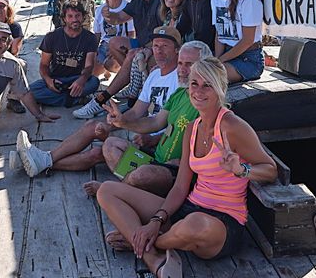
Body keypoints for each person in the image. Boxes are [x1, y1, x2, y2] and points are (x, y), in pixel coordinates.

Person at [96, 57, 277, 275]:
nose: (199, 91)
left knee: (194, 224)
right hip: (188, 208)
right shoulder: (192, 128)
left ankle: (146, 242)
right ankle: (153, 257)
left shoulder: (233, 126)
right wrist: (156, 220)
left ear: (220, 88)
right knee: (107, 190)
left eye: (207, 85)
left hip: (221, 223)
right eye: (194, 84)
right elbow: (181, 187)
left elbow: (270, 170)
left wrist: (242, 171)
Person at [15, 27, 184, 185]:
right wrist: (116, 122)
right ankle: (43, 160)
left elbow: (180, 128)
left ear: (177, 49)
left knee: (98, 152)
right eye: (156, 46)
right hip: (142, 133)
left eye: (165, 46)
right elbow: (136, 112)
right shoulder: (154, 75)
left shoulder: (182, 81)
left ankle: (38, 162)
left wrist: (153, 139)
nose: (159, 51)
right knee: (93, 126)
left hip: (159, 146)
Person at [86, 40, 213, 200]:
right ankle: (136, 191)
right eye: (180, 63)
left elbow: (208, 148)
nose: (181, 69)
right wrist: (123, 122)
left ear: (206, 67)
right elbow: (155, 122)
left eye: (189, 64)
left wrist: (184, 161)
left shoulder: (209, 103)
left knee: (142, 175)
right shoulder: (180, 94)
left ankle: (118, 190)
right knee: (110, 145)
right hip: (157, 160)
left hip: (176, 171)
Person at [72, 0, 162, 119]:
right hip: (141, 46)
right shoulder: (138, 1)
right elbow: (118, 18)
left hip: (156, 47)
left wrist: (147, 48)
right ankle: (131, 82)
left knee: (132, 55)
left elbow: (166, 32)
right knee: (114, 43)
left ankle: (101, 99)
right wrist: (108, 14)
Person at [29, 0, 100, 107]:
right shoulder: (51, 37)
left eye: (77, 16)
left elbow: (89, 66)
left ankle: (58, 99)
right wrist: (49, 81)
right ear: (64, 19)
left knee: (94, 82)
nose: (74, 19)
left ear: (83, 17)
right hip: (56, 79)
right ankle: (73, 100)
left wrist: (82, 80)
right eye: (70, 16)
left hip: (77, 78)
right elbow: (44, 65)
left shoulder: (90, 38)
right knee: (29, 91)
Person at [210, 0, 265, 83]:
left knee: (211, 76)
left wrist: (220, 61)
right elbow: (220, 34)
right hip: (227, 55)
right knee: (198, 71)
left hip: (249, 58)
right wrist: (217, 59)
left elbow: (247, 40)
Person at [92, 0, 133, 78]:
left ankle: (110, 70)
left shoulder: (127, 8)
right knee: (91, 71)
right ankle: (105, 71)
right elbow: (97, 34)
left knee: (110, 64)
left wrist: (121, 51)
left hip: (121, 45)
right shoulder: (99, 10)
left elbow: (131, 34)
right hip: (105, 44)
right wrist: (93, 52)